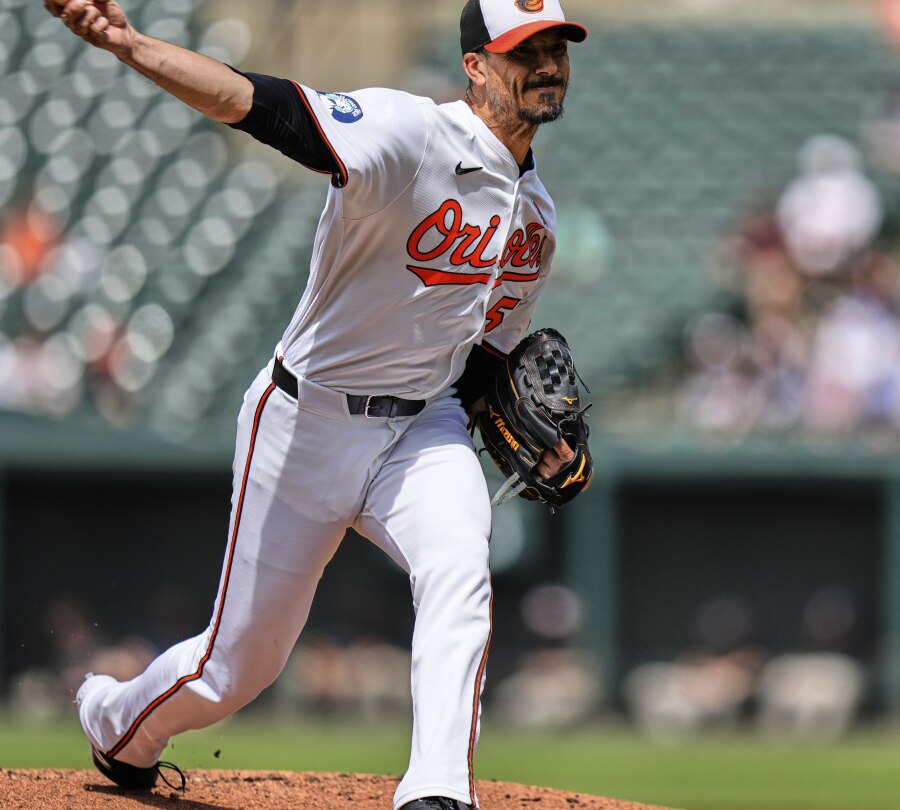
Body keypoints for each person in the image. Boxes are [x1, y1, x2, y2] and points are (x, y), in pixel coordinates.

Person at [43, 1, 588, 808]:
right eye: (523, 49)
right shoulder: (410, 132)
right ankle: (116, 720)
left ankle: (437, 791)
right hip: (305, 420)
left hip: (420, 428)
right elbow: (263, 106)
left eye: (556, 47)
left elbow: (482, 358)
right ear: (476, 66)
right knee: (236, 669)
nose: (546, 63)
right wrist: (129, 43)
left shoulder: (535, 218)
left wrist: (532, 435)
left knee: (460, 566)